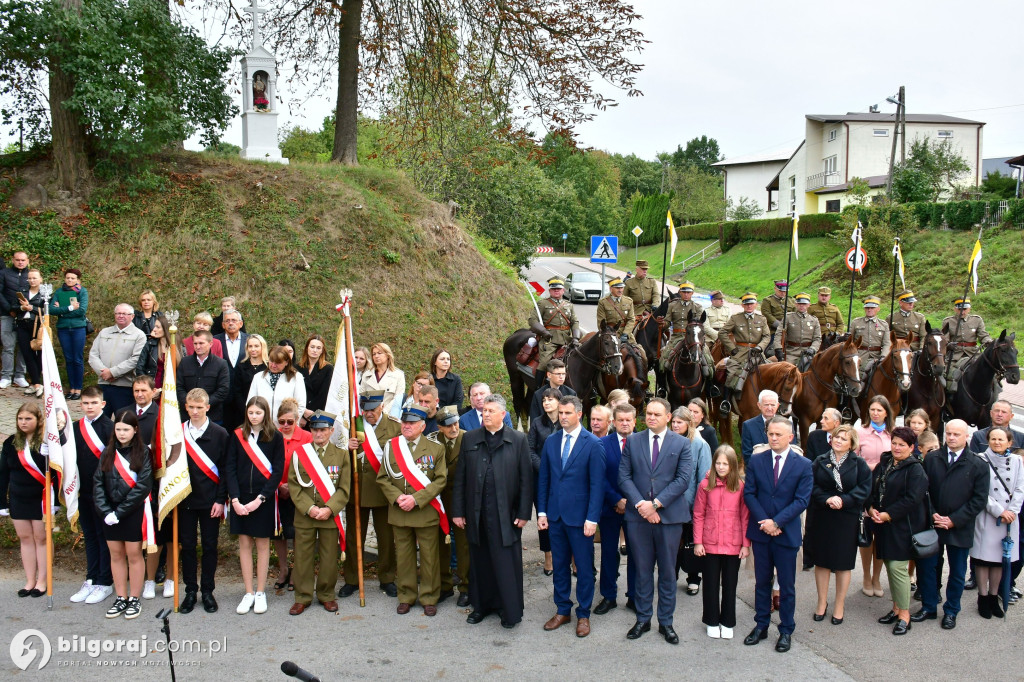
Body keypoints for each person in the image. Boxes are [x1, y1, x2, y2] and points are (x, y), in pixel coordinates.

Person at [452, 395, 533, 627]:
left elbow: (526, 480)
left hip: (505, 514)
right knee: (480, 562)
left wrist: (524, 513)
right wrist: (458, 511)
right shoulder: (470, 440)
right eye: (484, 410)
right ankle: (481, 606)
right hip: (476, 512)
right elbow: (460, 479)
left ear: (503, 415)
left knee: (505, 563)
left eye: (491, 410)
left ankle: (509, 610)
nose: (486, 414)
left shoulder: (518, 440)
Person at [617, 398, 693, 644]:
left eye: (657, 414)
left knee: (668, 572)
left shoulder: (681, 443)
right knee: (641, 570)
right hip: (638, 518)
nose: (651, 418)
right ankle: (643, 618)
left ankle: (666, 622)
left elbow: (683, 480)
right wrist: (642, 505)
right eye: (648, 413)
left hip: (669, 518)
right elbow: (624, 476)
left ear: (668, 417)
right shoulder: (634, 441)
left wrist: (656, 504)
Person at [742, 416, 812, 653]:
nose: (773, 438)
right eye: (770, 434)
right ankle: (761, 625)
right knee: (762, 582)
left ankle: (786, 630)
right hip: (762, 532)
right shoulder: (757, 461)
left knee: (787, 585)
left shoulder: (803, 464)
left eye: (778, 435)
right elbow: (750, 493)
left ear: (790, 437)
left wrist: (777, 522)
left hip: (786, 533)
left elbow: (802, 500)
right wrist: (765, 522)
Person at [538, 395, 606, 638]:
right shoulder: (551, 441)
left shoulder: (592, 444)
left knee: (585, 568)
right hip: (555, 516)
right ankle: (562, 609)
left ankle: (584, 614)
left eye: (568, 413)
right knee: (559, 566)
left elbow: (597, 485)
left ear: (579, 414)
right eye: (561, 413)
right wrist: (542, 511)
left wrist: (592, 518)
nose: (563, 417)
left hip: (581, 520)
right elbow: (544, 478)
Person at [914, 419, 987, 628]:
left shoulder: (978, 465)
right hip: (933, 523)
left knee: (957, 571)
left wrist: (954, 520)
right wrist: (934, 514)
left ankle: (951, 610)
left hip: (960, 527)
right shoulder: (932, 459)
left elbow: (979, 499)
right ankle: (928, 606)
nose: (952, 438)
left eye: (957, 434)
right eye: (949, 434)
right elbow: (923, 490)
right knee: (927, 567)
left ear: (966, 437)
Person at [376, 405, 447, 616]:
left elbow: (440, 480)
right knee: (404, 557)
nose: (406, 426)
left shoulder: (436, 448)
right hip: (400, 511)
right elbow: (382, 478)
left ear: (422, 426)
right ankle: (406, 596)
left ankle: (429, 597)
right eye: (405, 423)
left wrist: (416, 500)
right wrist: (397, 498)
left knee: (429, 557)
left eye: (412, 423)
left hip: (425, 511)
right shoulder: (391, 446)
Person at [287, 410, 350, 615]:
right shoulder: (300, 454)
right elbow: (294, 486)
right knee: (303, 558)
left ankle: (326, 595)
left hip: (329, 516)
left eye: (323, 430)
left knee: (329, 557)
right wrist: (310, 508)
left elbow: (344, 489)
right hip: (306, 515)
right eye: (315, 429)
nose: (318, 434)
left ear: (331, 431)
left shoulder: (341, 455)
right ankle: (302, 596)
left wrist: (329, 509)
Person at [227, 396, 285, 615]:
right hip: (240, 498)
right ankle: (248, 592)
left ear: (265, 414)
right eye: (250, 413)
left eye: (258, 413)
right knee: (244, 544)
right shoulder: (237, 435)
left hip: (263, 499)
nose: (254, 416)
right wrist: (235, 499)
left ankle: (261, 592)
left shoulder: (275, 437)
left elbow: (277, 471)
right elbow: (230, 467)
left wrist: (260, 499)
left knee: (262, 546)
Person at [808, 424, 871, 625]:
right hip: (823, 515)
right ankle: (821, 603)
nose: (838, 441)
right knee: (822, 561)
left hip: (847, 517)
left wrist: (844, 500)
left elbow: (864, 488)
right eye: (836, 437)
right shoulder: (820, 461)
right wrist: (827, 499)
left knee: (843, 563)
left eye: (843, 439)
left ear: (852, 443)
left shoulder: (859, 463)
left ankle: (839, 605)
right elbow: (811, 485)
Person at [869, 426, 928, 635]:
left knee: (897, 569)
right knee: (889, 565)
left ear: (912, 447)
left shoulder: (916, 469)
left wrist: (888, 514)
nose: (896, 447)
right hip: (882, 525)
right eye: (894, 443)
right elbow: (873, 487)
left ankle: (905, 615)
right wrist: (871, 507)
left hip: (903, 527)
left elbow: (912, 500)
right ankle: (895, 608)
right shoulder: (885, 462)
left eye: (902, 445)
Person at [93, 411, 153, 620]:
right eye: (118, 429)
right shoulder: (107, 452)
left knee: (134, 555)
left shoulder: (143, 452)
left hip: (132, 512)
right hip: (110, 513)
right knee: (116, 555)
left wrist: (120, 512)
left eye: (126, 429)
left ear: (135, 430)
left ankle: (134, 598)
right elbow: (98, 483)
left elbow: (143, 486)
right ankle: (121, 597)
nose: (121, 433)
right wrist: (106, 511)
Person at [341, 390, 400, 599]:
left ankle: (387, 578)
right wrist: (347, 448)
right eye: (365, 410)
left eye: (373, 410)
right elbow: (336, 453)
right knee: (354, 538)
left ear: (381, 407)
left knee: (386, 538)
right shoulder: (352, 425)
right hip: (357, 490)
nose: (369, 414)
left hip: (384, 491)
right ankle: (352, 579)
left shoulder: (395, 426)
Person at [178, 388, 229, 614]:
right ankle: (190, 590)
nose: (195, 411)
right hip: (185, 501)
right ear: (186, 407)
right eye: (191, 407)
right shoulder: (177, 433)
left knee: (210, 546)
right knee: (187, 547)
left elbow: (226, 469)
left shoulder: (220, 433)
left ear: (208, 407)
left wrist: (221, 499)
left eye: (200, 407)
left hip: (211, 501)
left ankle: (207, 590)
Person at [693, 445, 750, 639]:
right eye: (718, 463)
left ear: (733, 465)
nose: (721, 467)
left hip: (733, 543)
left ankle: (727, 621)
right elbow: (698, 514)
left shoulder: (740, 487)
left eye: (725, 463)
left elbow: (745, 516)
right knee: (710, 584)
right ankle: (711, 620)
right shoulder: (705, 485)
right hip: (709, 542)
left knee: (730, 584)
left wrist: (745, 544)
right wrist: (698, 542)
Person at [970, 426, 1024, 619]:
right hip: (988, 517)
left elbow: (1020, 487)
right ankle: (982, 598)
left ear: (1010, 442)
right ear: (988, 440)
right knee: (984, 560)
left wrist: (1012, 511)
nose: (997, 442)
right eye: (993, 439)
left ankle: (994, 597)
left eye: (1001, 439)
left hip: (1009, 518)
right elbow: (980, 491)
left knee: (1000, 561)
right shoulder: (980, 460)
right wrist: (999, 511)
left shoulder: (1017, 461)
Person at [69, 387, 115, 604]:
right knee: (89, 536)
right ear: (81, 405)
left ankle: (105, 581)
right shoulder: (74, 428)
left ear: (102, 404)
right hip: (82, 491)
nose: (89, 407)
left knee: (103, 537)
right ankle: (91, 577)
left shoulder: (110, 428)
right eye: (86, 403)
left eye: (93, 403)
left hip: (103, 494)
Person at [0, 403, 48, 597]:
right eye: (20, 418)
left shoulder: (46, 443)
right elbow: (3, 474)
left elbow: (54, 474)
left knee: (41, 539)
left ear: (38, 420)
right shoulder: (11, 443)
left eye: (28, 418)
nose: (23, 422)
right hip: (18, 499)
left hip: (40, 499)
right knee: (25, 539)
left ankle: (42, 581)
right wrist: (2, 502)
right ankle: (29, 580)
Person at [594, 403, 637, 615]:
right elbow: (598, 477)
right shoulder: (602, 444)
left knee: (637, 555)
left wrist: (629, 501)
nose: (625, 423)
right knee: (609, 553)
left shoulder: (643, 443)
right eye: (621, 420)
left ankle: (634, 596)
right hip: (610, 509)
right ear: (613, 422)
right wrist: (616, 500)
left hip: (636, 509)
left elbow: (646, 477)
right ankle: (608, 596)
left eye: (629, 420)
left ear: (635, 421)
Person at [272, 398, 312, 592]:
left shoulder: (307, 437)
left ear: (297, 419)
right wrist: (279, 485)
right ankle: (283, 568)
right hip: (276, 491)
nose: (286, 425)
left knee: (297, 532)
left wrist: (292, 486)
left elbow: (311, 466)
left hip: (299, 491)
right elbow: (266, 465)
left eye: (290, 421)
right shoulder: (271, 436)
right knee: (278, 533)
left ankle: (297, 570)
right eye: (282, 421)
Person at [433, 406, 470, 607]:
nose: (454, 428)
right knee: (441, 545)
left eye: (455, 423)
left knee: (463, 547)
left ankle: (466, 587)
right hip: (439, 502)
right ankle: (445, 586)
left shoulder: (468, 438)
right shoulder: (433, 441)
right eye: (448, 425)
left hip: (461, 501)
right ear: (440, 427)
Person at [856, 395, 893, 598]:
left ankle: (877, 577)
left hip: (886, 491)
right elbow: (853, 459)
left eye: (879, 410)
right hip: (866, 488)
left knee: (881, 536)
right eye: (872, 409)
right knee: (866, 535)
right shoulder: (860, 432)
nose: (875, 413)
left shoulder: (892, 434)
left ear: (886, 412)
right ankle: (866, 575)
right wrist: (872, 467)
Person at [677, 406, 712, 597]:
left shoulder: (699, 445)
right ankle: (670, 576)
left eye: (680, 422)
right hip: (671, 505)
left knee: (692, 543)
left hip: (691, 504)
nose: (675, 425)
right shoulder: (668, 441)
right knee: (673, 543)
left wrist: (699, 506)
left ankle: (693, 579)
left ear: (689, 424)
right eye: (673, 421)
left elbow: (704, 478)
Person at [88, 304, 147, 416]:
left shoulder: (139, 335)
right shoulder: (104, 332)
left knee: (123, 421)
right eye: (118, 313)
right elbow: (93, 355)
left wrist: (113, 372)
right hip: (103, 384)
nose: (121, 316)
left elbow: (136, 359)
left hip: (124, 387)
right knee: (100, 420)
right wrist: (104, 373)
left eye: (124, 313)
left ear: (132, 316)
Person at [719, 292, 770, 415]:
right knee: (732, 372)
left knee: (771, 373)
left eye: (751, 304)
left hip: (757, 353)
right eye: (746, 304)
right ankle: (726, 402)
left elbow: (767, 336)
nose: (749, 306)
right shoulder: (736, 318)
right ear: (742, 305)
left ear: (756, 304)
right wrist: (732, 349)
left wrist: (760, 347)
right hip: (740, 353)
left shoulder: (761, 319)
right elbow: (722, 333)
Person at [528, 387, 561, 576]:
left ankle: (571, 557)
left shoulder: (567, 421)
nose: (546, 403)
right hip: (541, 477)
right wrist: (544, 468)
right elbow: (530, 449)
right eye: (544, 400)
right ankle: (548, 555)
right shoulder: (537, 423)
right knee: (544, 517)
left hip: (564, 477)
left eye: (550, 399)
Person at [528, 277, 580, 389]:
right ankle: (538, 387)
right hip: (549, 340)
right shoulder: (542, 304)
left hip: (567, 339)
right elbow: (532, 320)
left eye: (559, 289)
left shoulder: (568, 305)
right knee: (544, 362)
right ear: (550, 291)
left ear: (563, 290)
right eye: (554, 289)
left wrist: (576, 337)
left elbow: (574, 322)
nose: (556, 290)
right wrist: (543, 332)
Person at [49, 268, 88, 400]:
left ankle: (78, 388)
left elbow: (81, 310)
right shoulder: (59, 292)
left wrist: (61, 311)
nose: (70, 280)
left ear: (77, 279)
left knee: (77, 359)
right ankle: (71, 388)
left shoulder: (82, 291)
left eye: (73, 278)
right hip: (63, 328)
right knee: (69, 359)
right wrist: (69, 308)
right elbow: (51, 309)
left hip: (78, 328)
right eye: (68, 278)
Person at [177, 330, 231, 425]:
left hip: (212, 417)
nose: (198, 347)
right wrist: (191, 405)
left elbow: (223, 390)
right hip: (187, 417)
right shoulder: (184, 362)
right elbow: (178, 387)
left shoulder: (221, 364)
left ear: (210, 344)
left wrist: (203, 405)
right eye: (195, 343)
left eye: (201, 343)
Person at [942, 297, 991, 393]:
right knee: (947, 374)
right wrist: (948, 345)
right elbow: (944, 339)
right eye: (960, 309)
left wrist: (988, 341)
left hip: (973, 353)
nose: (962, 312)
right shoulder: (948, 321)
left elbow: (983, 335)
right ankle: (947, 397)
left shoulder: (977, 320)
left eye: (964, 309)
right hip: (955, 354)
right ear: (955, 309)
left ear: (969, 309)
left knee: (989, 371)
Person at [247, 345, 307, 424]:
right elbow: (250, 403)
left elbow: (300, 404)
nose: (273, 365)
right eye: (271, 361)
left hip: (286, 427)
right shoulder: (258, 377)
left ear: (286, 362)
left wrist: (289, 423)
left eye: (278, 363)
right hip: (263, 427)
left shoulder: (296, 377)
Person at [663, 281, 710, 375]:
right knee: (664, 359)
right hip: (676, 337)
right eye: (684, 292)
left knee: (708, 359)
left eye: (688, 292)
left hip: (693, 338)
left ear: (692, 293)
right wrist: (662, 324)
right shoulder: (672, 305)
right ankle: (662, 386)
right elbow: (667, 322)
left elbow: (700, 324)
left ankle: (710, 386)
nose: (686, 294)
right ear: (680, 292)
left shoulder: (697, 307)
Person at [597, 277, 646, 366]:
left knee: (642, 355)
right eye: (617, 288)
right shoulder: (603, 302)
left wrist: (625, 334)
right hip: (609, 336)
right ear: (611, 288)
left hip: (626, 335)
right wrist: (610, 334)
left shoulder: (629, 301)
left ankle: (643, 377)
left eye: (621, 288)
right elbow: (601, 322)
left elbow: (631, 319)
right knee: (599, 359)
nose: (620, 290)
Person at [0, 251, 30, 389]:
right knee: (8, 347)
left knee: (23, 347)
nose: (20, 262)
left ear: (27, 261)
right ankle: (6, 376)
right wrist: (9, 310)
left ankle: (19, 376)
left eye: (23, 260)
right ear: (13, 260)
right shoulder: (4, 273)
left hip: (25, 315)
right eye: (17, 260)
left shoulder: (31, 275)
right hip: (7, 315)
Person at [13, 268, 45, 397]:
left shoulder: (45, 293)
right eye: (30, 278)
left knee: (39, 353)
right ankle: (36, 384)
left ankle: (37, 383)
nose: (32, 280)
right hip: (22, 325)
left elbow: (46, 310)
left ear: (40, 279)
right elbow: (13, 307)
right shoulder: (22, 291)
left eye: (35, 278)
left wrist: (31, 308)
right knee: (27, 353)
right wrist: (22, 307)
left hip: (37, 326)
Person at [770, 292, 821, 368]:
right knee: (785, 371)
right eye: (799, 303)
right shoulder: (788, 317)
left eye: (804, 304)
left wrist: (812, 349)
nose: (801, 306)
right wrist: (778, 348)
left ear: (808, 305)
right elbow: (779, 334)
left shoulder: (814, 320)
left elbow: (817, 339)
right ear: (795, 304)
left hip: (808, 353)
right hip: (791, 352)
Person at [213, 310, 247, 423]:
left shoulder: (250, 340)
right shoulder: (215, 341)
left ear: (240, 324)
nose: (230, 323)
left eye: (234, 320)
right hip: (222, 395)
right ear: (223, 325)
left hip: (243, 394)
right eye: (227, 321)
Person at [230, 334, 268, 431]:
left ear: (262, 347)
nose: (253, 349)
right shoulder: (241, 367)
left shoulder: (269, 367)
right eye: (250, 346)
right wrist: (247, 411)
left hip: (265, 412)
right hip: (243, 412)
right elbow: (237, 391)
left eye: (256, 346)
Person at [135, 314, 183, 388]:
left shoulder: (180, 347)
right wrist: (148, 387)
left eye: (157, 327)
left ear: (166, 329)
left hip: (171, 389)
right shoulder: (150, 345)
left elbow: (183, 372)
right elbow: (140, 368)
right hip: (152, 387)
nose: (154, 329)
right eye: (155, 326)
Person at [849, 296, 891, 380]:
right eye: (867, 308)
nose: (869, 310)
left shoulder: (883, 324)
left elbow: (887, 343)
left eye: (872, 308)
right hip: (860, 355)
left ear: (878, 309)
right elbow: (850, 341)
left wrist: (883, 356)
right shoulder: (856, 322)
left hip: (876, 356)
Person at [362, 342, 406, 418]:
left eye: (379, 353)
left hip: (388, 416)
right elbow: (361, 396)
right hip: (369, 417)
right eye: (374, 354)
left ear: (388, 355)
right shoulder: (367, 375)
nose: (376, 356)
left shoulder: (398, 375)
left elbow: (398, 398)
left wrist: (382, 412)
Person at [296, 334, 333, 424]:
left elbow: (324, 394)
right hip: (299, 414)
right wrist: (303, 412)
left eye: (318, 348)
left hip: (318, 416)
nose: (315, 350)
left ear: (322, 351)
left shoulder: (328, 369)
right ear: (307, 348)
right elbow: (294, 393)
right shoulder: (297, 368)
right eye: (312, 347)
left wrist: (311, 415)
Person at [740, 390, 778, 468]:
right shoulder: (748, 426)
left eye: (773, 405)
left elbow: (792, 451)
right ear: (759, 405)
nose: (769, 408)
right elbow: (747, 455)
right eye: (766, 405)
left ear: (777, 405)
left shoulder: (787, 425)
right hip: (758, 471)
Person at [760, 280, 792, 345]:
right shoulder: (768, 300)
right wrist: (780, 326)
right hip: (774, 330)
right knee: (770, 349)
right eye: (781, 291)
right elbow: (767, 314)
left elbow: (795, 313)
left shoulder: (791, 300)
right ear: (775, 289)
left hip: (790, 329)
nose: (783, 293)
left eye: (785, 291)